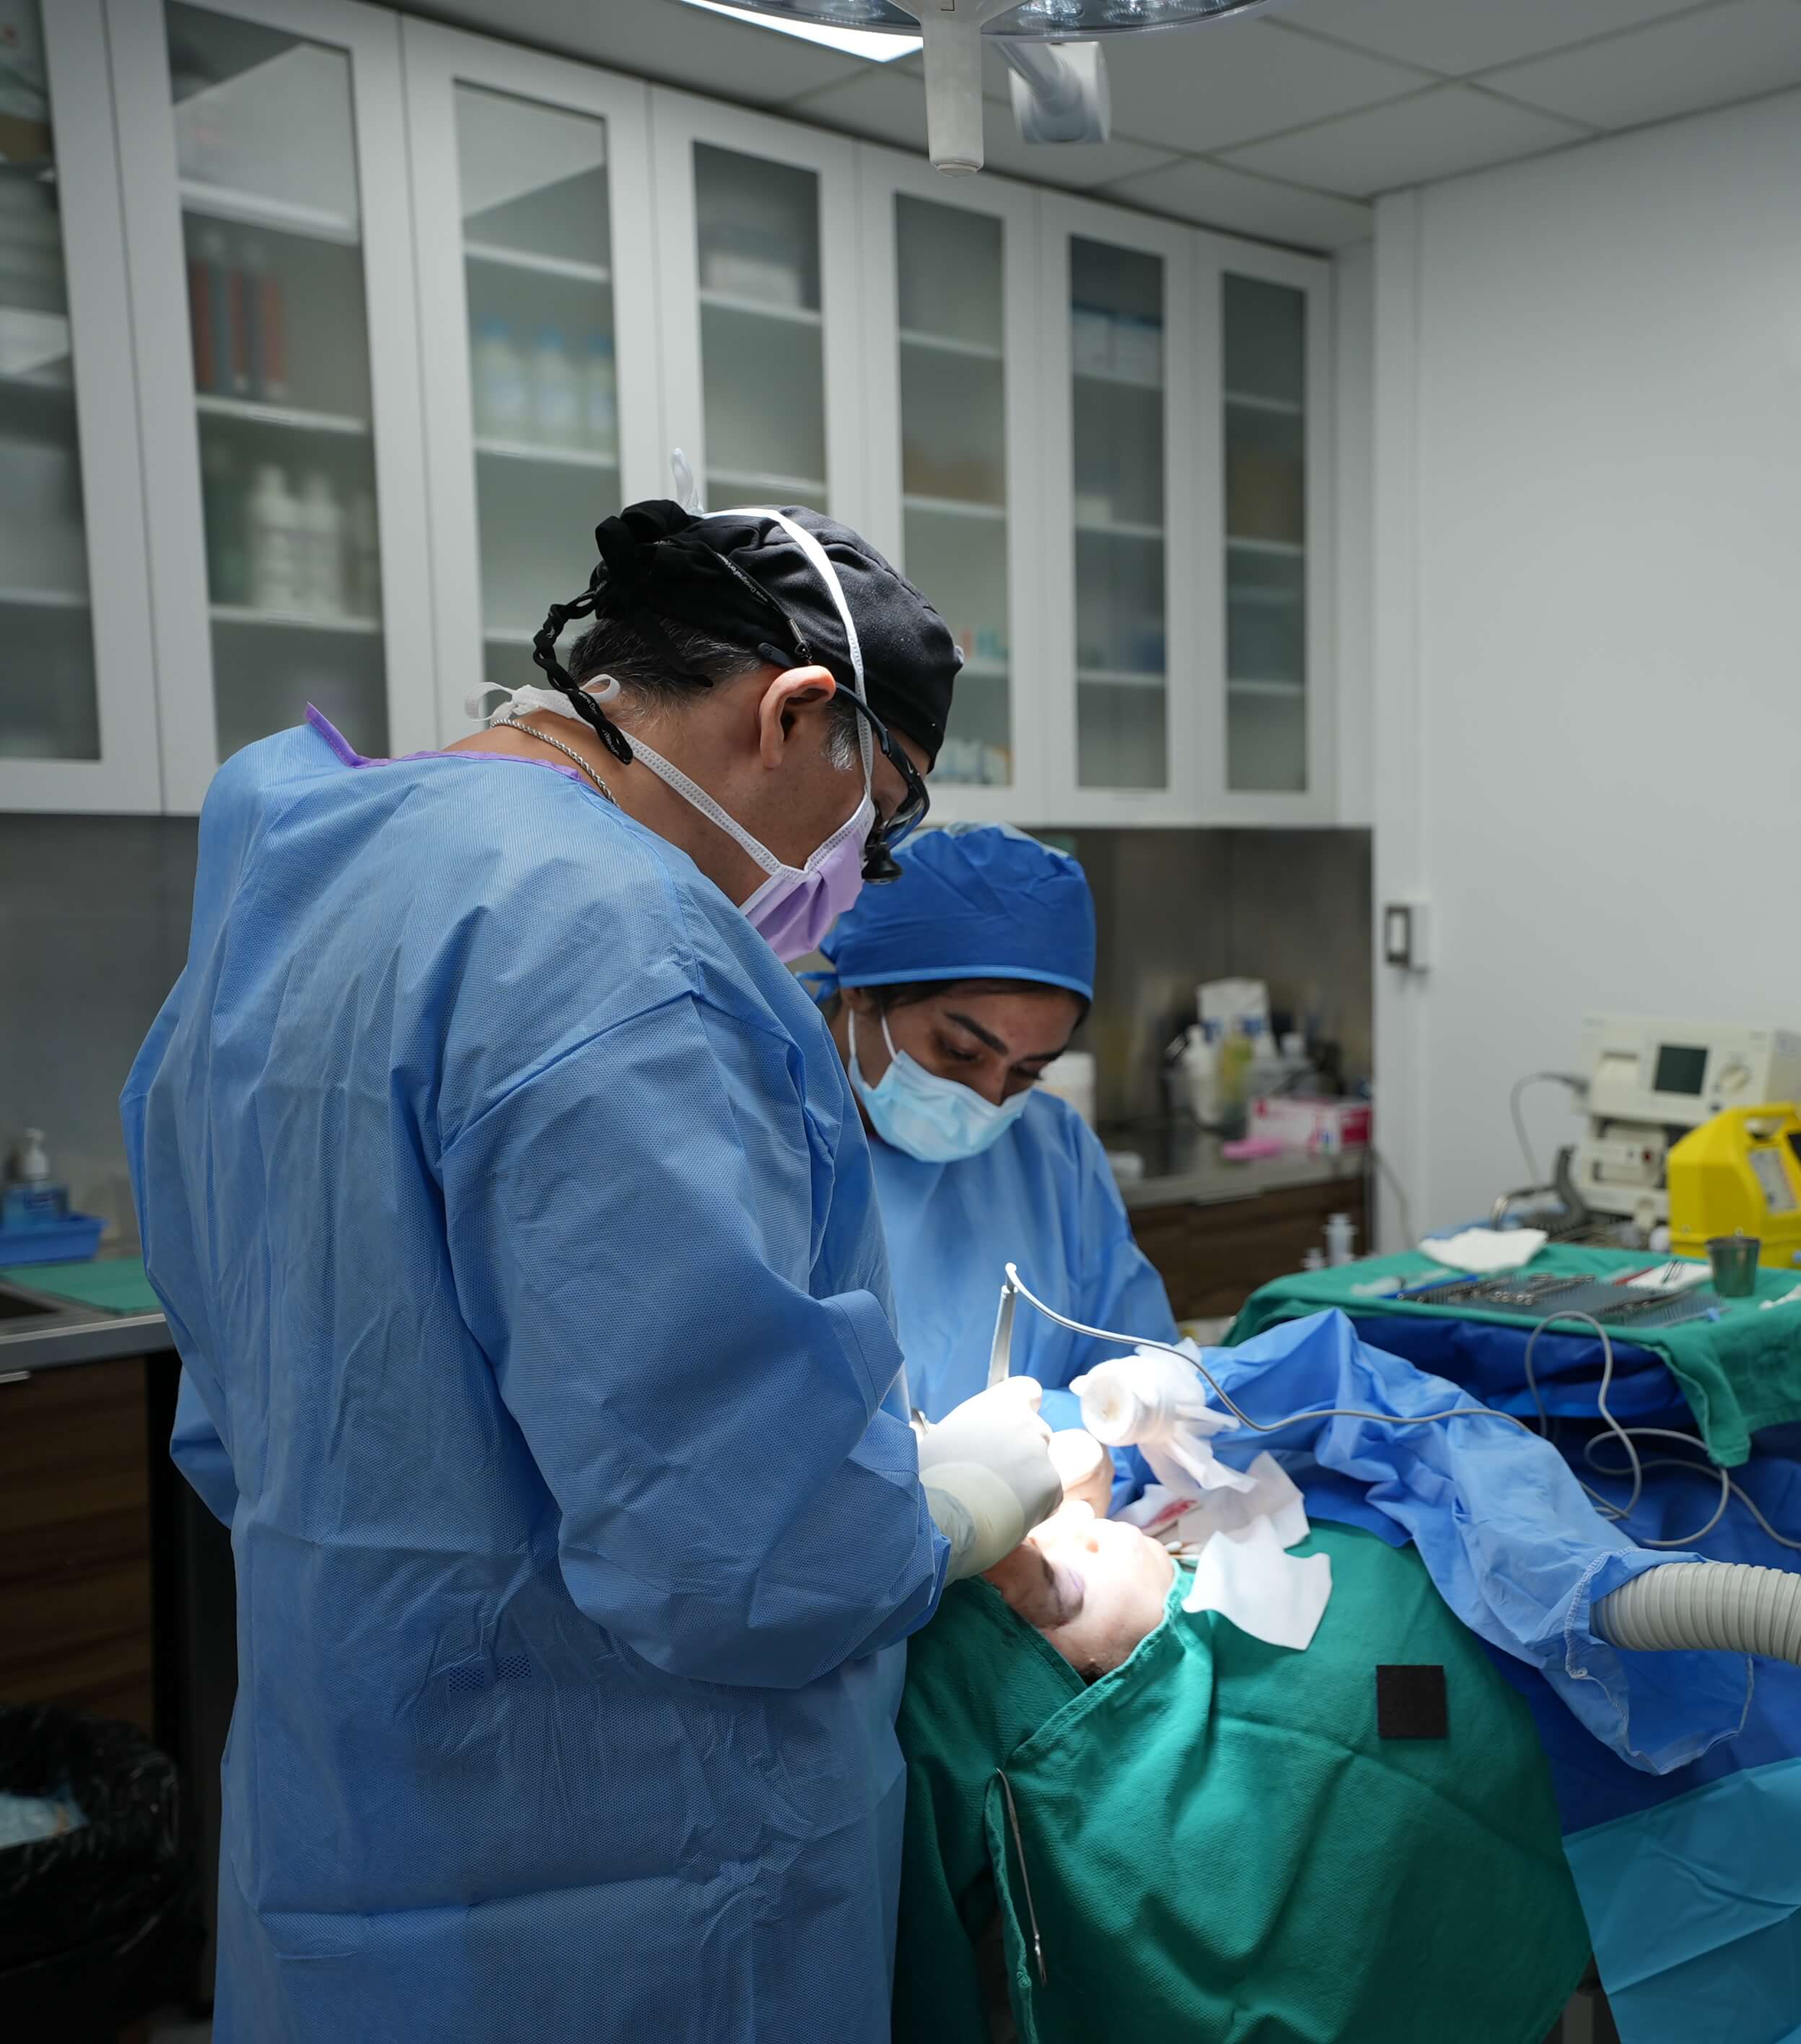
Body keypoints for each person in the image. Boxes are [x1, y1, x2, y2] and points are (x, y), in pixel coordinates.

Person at [123, 501, 1066, 2044]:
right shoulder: (623, 949)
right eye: (874, 820)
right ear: (798, 714)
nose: (850, 875)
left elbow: (244, 1414)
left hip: (351, 1793)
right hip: (626, 1868)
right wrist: (943, 1509)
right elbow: (744, 1557)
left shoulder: (302, 878)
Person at [811, 823, 1179, 1428]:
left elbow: (1136, 1368)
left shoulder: (1053, 1151)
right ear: (861, 993)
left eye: (1029, 1071)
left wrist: (1078, 1441)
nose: (988, 1099)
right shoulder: (767, 1142)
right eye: (959, 1051)